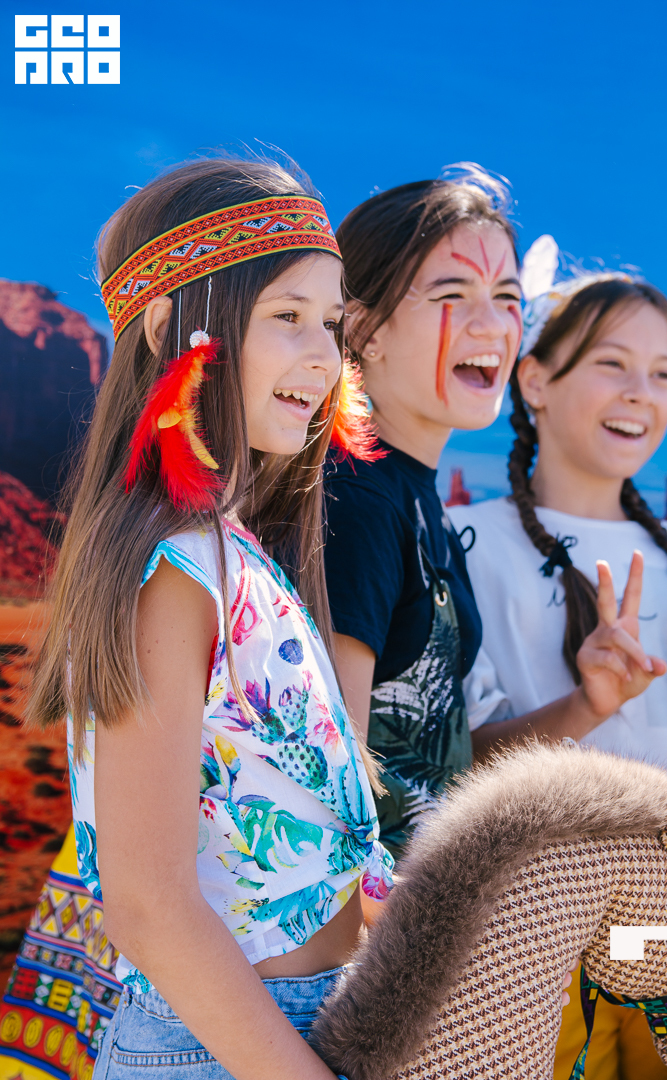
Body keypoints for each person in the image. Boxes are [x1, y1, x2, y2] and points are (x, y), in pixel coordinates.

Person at [24, 157, 393, 1080]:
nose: (324, 357)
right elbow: (148, 903)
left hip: (296, 1025)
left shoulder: (234, 553)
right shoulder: (171, 567)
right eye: (287, 316)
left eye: (331, 324)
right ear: (168, 328)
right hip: (225, 1050)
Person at [324, 168, 666, 859]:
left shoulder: (417, 502)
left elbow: (444, 767)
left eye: (507, 298)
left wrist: (588, 704)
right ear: (362, 328)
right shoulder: (355, 501)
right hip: (374, 922)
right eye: (452, 294)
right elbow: (329, 792)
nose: (492, 325)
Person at [449, 250, 667, 1080]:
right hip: (538, 939)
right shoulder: (467, 544)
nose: (642, 393)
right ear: (534, 381)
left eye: (663, 374)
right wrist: (587, 706)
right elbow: (456, 760)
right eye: (612, 364)